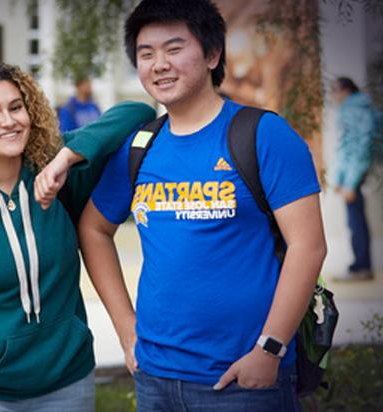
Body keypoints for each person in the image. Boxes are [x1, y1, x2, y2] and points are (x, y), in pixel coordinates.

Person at [76, 1, 327, 411]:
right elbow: (93, 229)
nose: (159, 64)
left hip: (244, 379)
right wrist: (126, 332)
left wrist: (270, 349)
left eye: (174, 49)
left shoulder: (263, 134)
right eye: (146, 53)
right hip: (155, 378)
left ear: (212, 55)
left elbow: (309, 246)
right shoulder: (140, 147)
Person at [0, 62, 154, 412]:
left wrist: (67, 157)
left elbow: (138, 112)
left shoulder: (59, 178)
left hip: (68, 385)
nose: (9, 121)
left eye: (16, 107)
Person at [330, 76, 375, 281]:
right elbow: (347, 148)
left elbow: (359, 148)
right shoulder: (357, 108)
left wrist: (349, 182)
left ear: (345, 90)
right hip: (351, 176)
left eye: (335, 90)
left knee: (356, 222)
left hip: (353, 177)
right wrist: (341, 179)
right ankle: (360, 264)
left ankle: (361, 267)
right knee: (355, 220)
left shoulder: (353, 110)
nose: (333, 95)